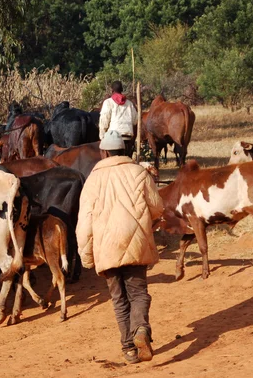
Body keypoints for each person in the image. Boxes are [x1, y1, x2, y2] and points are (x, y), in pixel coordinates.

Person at [76, 130, 164, 364]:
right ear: (125, 151)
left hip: (107, 248)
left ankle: (128, 349)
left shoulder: (93, 179)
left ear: (103, 152)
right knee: (138, 294)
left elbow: (83, 222)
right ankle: (141, 330)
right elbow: (157, 208)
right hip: (136, 243)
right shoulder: (138, 172)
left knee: (118, 299)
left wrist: (86, 257)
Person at [99, 81, 138, 157]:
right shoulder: (129, 104)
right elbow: (135, 120)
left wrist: (102, 137)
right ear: (122, 90)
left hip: (112, 140)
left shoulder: (108, 102)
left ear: (112, 91)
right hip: (127, 139)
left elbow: (104, 121)